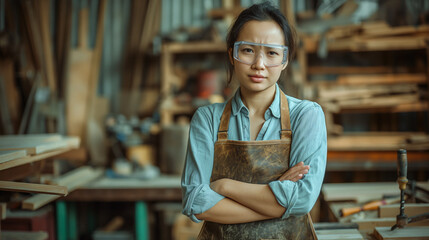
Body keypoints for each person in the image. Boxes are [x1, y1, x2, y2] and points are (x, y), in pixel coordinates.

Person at [181, 2, 327, 239]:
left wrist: (224, 186)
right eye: (248, 50)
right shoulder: (207, 119)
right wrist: (277, 203)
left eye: (271, 53)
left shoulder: (306, 116)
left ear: (285, 60)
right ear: (232, 54)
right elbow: (196, 202)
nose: (259, 64)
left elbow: (301, 201)